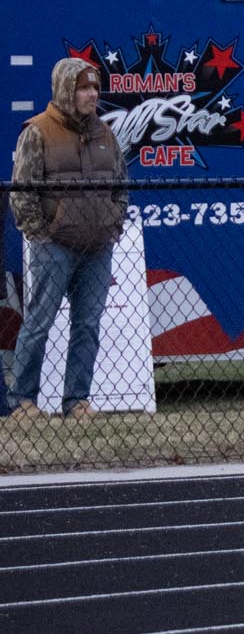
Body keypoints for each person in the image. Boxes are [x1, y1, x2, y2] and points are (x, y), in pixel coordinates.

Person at [6, 57, 127, 421]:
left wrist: (113, 222)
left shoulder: (106, 134)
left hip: (97, 246)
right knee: (39, 321)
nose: (93, 95)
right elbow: (21, 191)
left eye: (95, 88)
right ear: (64, 91)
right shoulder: (37, 132)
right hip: (54, 246)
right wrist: (40, 232)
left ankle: (77, 401)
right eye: (84, 88)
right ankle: (22, 401)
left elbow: (121, 186)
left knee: (88, 324)